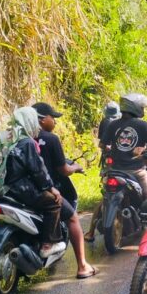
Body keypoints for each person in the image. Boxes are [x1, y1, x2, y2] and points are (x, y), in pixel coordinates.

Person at [32, 102, 96, 278]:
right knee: (73, 218)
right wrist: (75, 167)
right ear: (42, 119)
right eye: (53, 117)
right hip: (46, 189)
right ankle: (82, 266)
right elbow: (63, 170)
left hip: (20, 190)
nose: (54, 121)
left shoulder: (19, 137)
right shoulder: (51, 139)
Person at [84, 93, 147, 242]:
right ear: (135, 107)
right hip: (136, 171)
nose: (143, 109)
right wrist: (144, 152)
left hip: (114, 170)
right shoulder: (143, 125)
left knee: (105, 198)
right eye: (142, 107)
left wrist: (113, 150)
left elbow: (102, 144)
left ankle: (90, 232)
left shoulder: (113, 124)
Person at [2, 107, 65, 258]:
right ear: (29, 122)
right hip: (20, 189)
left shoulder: (4, 138)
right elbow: (38, 170)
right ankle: (48, 244)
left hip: (1, 189)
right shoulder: (26, 142)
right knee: (54, 203)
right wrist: (51, 188)